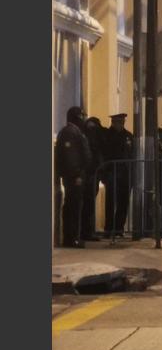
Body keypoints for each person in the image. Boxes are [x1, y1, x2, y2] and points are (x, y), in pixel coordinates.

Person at [55, 106, 92, 247]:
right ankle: (71, 239)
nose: (84, 119)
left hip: (77, 175)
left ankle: (74, 237)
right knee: (73, 207)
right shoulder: (69, 132)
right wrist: (76, 174)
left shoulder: (75, 131)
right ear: (76, 118)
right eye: (82, 117)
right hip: (74, 177)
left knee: (75, 206)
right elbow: (71, 157)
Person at [102, 113, 133, 237]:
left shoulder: (128, 136)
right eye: (118, 122)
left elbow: (131, 153)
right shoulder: (107, 135)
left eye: (122, 121)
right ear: (113, 122)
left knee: (123, 202)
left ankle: (119, 228)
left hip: (125, 173)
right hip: (112, 172)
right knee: (111, 202)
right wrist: (104, 173)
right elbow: (104, 154)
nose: (121, 124)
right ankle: (109, 229)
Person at [82, 116, 105, 242]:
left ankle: (87, 231)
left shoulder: (87, 136)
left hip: (92, 175)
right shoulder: (91, 139)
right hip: (90, 175)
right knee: (88, 205)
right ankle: (87, 232)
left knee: (88, 205)